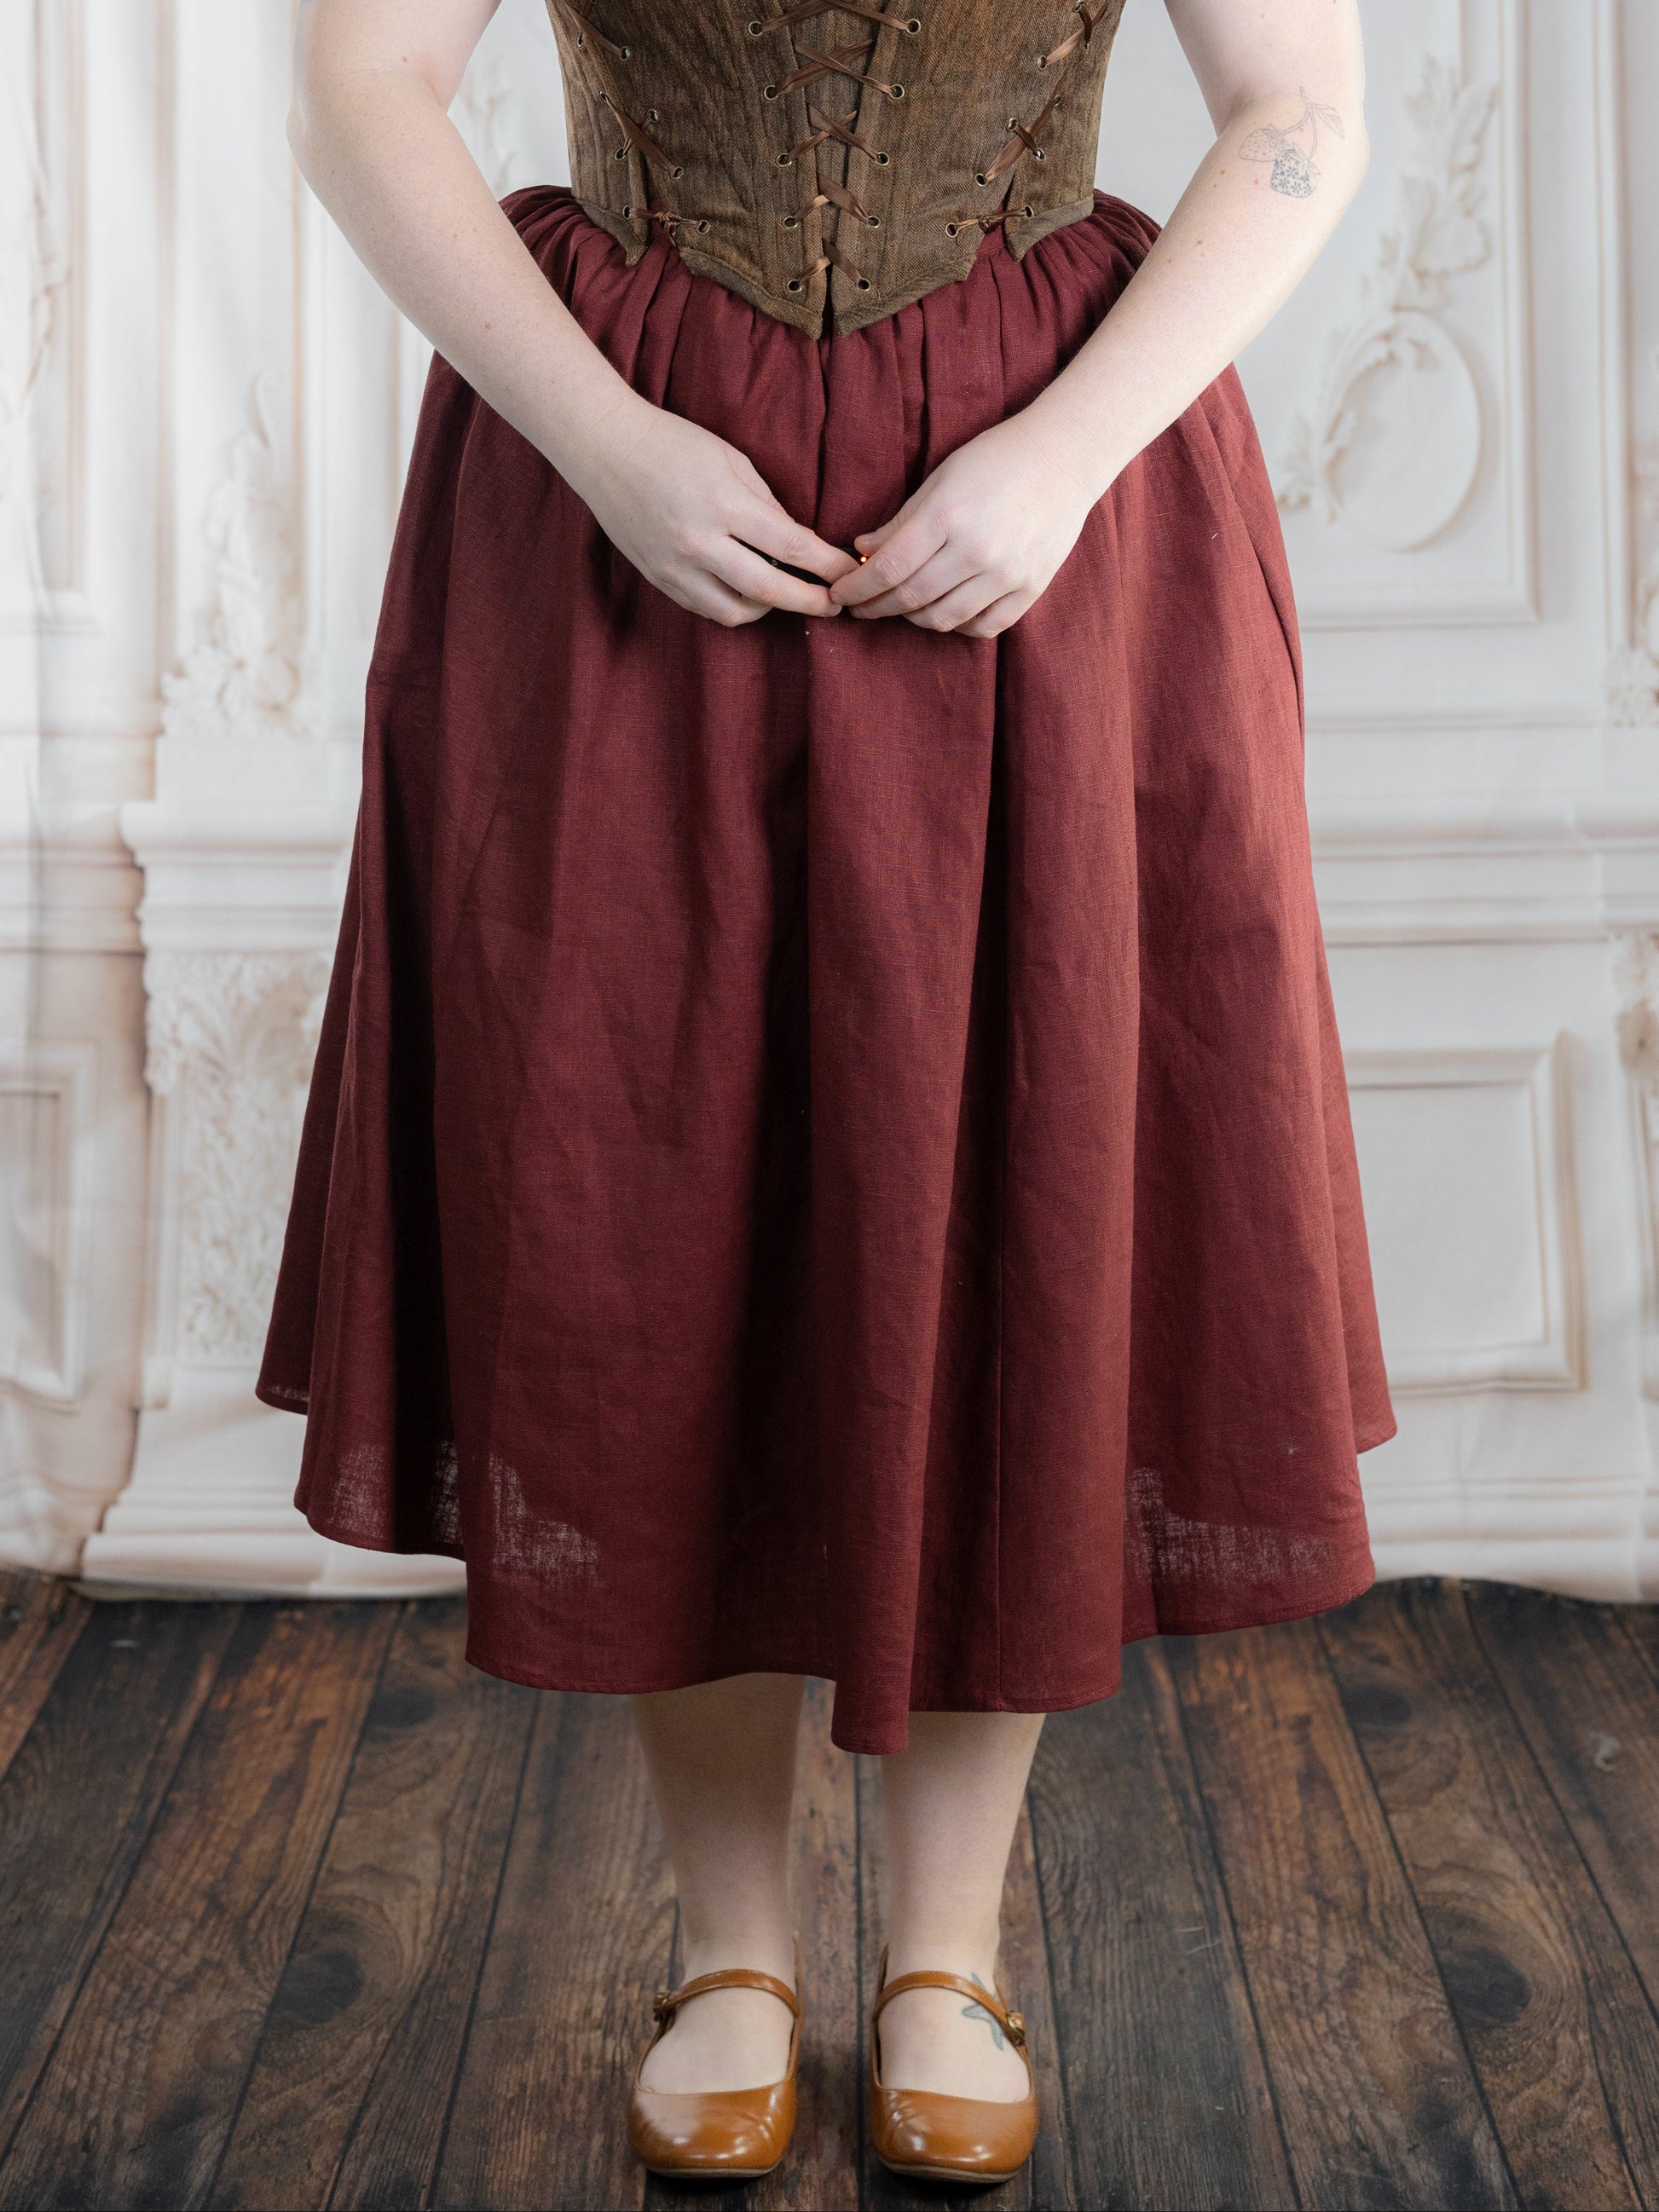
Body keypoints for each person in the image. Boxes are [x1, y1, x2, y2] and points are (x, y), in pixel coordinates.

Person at [263, 0, 1391, 2186]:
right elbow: (356, 85)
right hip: (622, 504)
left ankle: (947, 1957)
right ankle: (732, 1957)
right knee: (652, 1203)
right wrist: (608, 444)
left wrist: (1060, 459)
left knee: (1015, 1182)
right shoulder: (608, 458)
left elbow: (1301, 111)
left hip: (1041, 508)